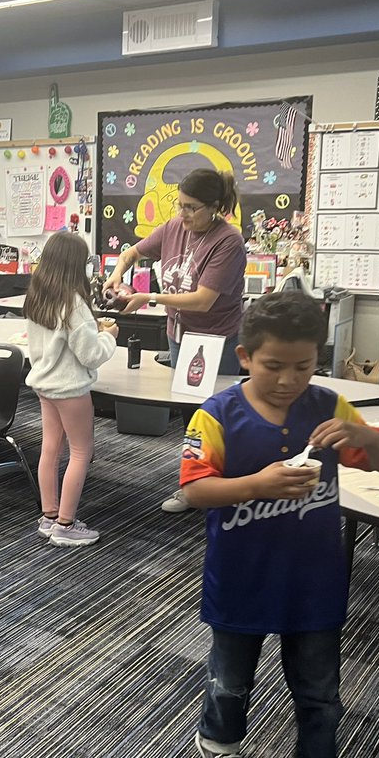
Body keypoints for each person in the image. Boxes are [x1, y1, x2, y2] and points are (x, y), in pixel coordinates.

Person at [179, 292, 379, 758]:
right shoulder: (217, 415)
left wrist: (365, 436)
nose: (288, 379)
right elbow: (194, 490)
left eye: (303, 366)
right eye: (274, 366)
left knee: (321, 692)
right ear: (245, 356)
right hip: (242, 574)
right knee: (231, 680)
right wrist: (257, 485)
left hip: (315, 581)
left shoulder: (328, 407)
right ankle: (220, 742)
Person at [103, 167, 246, 515]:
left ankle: (230, 487)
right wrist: (117, 275)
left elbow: (203, 300)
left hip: (216, 341)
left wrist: (149, 298)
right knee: (191, 416)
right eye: (179, 205)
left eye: (191, 207)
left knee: (217, 416)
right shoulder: (172, 229)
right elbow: (131, 253)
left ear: (214, 207)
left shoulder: (228, 241)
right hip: (180, 338)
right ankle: (195, 484)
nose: (182, 214)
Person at [24, 231, 119, 546]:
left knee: (50, 448)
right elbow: (91, 354)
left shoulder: (38, 294)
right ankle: (65, 524)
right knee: (81, 451)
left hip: (45, 385)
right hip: (70, 388)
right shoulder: (74, 302)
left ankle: (49, 516)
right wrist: (110, 336)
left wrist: (93, 330)